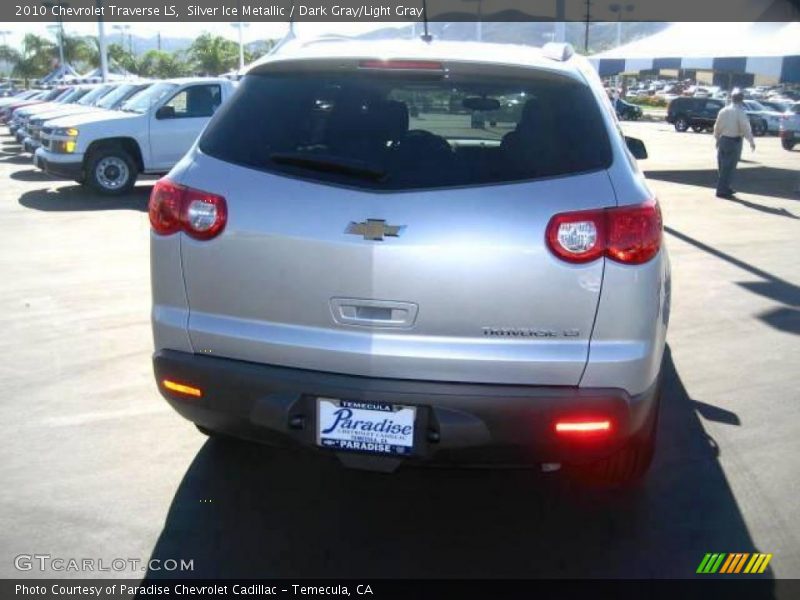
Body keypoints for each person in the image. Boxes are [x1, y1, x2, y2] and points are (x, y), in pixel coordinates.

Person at [713, 89, 755, 199]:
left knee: (722, 167)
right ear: (741, 100)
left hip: (723, 140)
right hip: (734, 141)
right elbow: (745, 128)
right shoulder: (740, 112)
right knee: (729, 167)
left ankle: (725, 187)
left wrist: (717, 138)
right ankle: (722, 190)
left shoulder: (723, 110)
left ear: (732, 98)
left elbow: (717, 126)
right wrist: (751, 141)